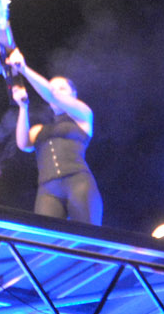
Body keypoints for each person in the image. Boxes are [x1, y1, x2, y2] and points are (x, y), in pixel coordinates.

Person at [6, 48, 101, 225]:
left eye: (62, 88)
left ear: (73, 94)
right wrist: (23, 107)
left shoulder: (83, 115)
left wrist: (23, 69)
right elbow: (23, 144)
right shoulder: (40, 129)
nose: (56, 91)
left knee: (87, 236)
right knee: (45, 237)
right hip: (47, 190)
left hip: (78, 183)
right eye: (53, 87)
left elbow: (52, 95)